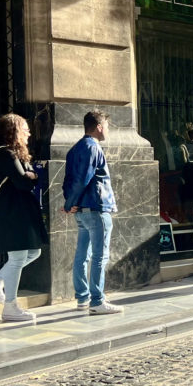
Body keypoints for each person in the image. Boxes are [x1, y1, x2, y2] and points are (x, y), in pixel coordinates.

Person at [0, 114, 49, 321]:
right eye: (25, 128)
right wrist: (32, 176)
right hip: (12, 213)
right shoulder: (6, 154)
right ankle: (10, 306)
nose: (29, 132)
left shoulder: (14, 154)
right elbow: (23, 182)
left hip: (18, 212)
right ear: (13, 130)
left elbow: (25, 178)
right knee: (17, 258)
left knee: (33, 252)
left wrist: (29, 176)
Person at [62, 111, 123, 314]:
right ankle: (97, 302)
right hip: (97, 209)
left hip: (82, 210)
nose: (107, 130)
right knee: (99, 256)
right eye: (106, 125)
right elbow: (82, 179)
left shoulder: (74, 149)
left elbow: (68, 181)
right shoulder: (92, 147)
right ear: (98, 126)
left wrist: (70, 203)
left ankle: (82, 299)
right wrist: (70, 203)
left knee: (82, 254)